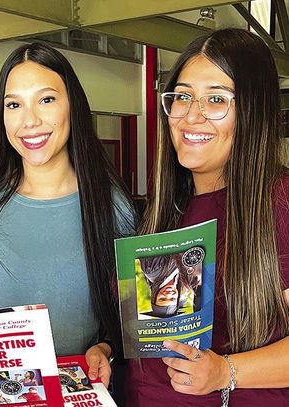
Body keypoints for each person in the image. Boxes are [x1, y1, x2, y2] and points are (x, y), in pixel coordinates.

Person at [0, 42, 135, 391]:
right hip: (6, 392)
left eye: (46, 100)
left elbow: (128, 319)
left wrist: (106, 347)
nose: (29, 120)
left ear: (73, 106)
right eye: (14, 104)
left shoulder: (113, 206)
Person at [127, 28, 289, 406]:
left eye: (216, 99)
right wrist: (108, 350)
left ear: (252, 111)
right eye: (183, 97)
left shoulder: (278, 202)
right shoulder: (168, 205)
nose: (191, 116)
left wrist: (225, 371)